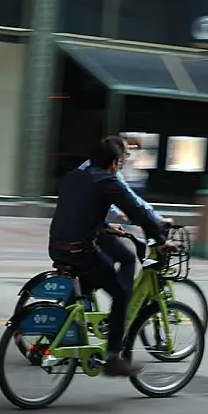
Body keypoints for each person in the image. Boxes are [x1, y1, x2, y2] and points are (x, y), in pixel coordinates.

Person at [50, 137, 178, 377]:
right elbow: (137, 211)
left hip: (57, 247)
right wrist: (161, 240)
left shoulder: (73, 176)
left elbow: (80, 212)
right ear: (113, 163)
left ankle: (64, 330)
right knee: (120, 294)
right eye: (121, 161)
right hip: (80, 251)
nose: (121, 166)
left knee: (87, 283)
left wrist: (104, 227)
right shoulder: (108, 181)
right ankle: (113, 358)